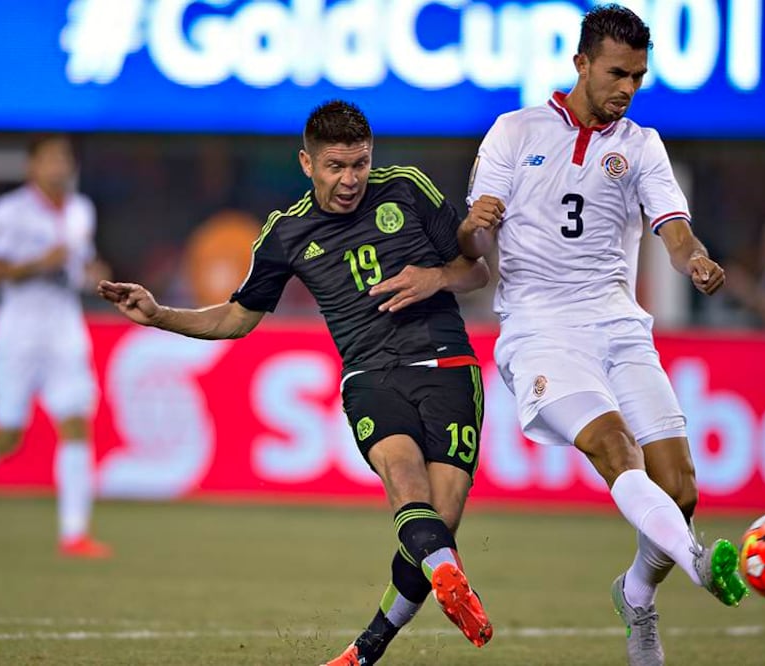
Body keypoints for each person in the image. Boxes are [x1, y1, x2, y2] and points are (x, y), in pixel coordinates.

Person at [98, 100, 493, 665]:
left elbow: (475, 271)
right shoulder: (286, 234)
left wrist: (434, 276)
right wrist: (161, 314)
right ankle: (444, 579)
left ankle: (370, 646)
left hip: (448, 367)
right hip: (370, 378)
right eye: (336, 166)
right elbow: (236, 317)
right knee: (405, 481)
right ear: (306, 164)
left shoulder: (407, 188)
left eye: (359, 164)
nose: (351, 179)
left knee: (434, 532)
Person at [458, 5, 748, 665]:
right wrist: (475, 223)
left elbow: (672, 228)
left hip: (618, 326)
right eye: (616, 72)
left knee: (680, 488)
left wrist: (694, 259)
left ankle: (636, 594)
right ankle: (697, 562)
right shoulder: (514, 131)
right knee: (616, 448)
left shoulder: (640, 144)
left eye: (638, 77)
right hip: (539, 330)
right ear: (581, 63)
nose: (626, 88)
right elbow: (470, 238)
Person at [0, 134, 112, 558]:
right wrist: (36, 264)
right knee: (8, 435)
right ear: (32, 167)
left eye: (65, 159)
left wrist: (98, 277)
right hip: (19, 332)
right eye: (50, 160)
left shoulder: (81, 212)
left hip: (64, 328)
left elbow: (83, 264)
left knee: (76, 422)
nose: (59, 167)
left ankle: (74, 534)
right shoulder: (9, 211)